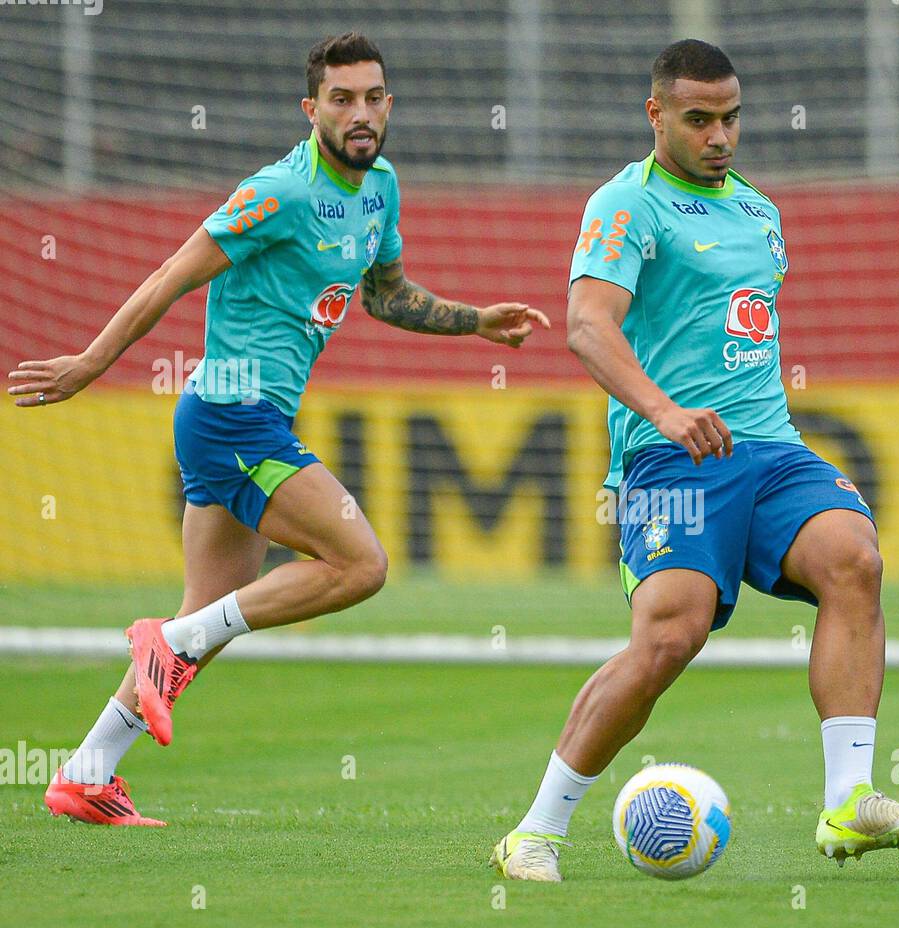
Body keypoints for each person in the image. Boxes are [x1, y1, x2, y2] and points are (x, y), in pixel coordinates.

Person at [10, 32, 549, 826]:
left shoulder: (381, 186)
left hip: (245, 419)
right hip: (233, 415)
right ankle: (170, 642)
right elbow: (170, 273)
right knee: (361, 564)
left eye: (372, 98)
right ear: (312, 109)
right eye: (341, 99)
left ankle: (88, 772)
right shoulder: (277, 192)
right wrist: (91, 363)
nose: (359, 113)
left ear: (388, 105)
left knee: (209, 615)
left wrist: (475, 322)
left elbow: (386, 295)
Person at [491, 40, 899, 882]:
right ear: (656, 115)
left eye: (731, 118)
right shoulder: (626, 204)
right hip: (669, 459)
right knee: (672, 636)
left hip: (768, 448)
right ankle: (534, 832)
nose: (719, 136)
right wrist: (666, 414)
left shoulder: (760, 214)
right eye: (698, 119)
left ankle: (849, 803)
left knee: (855, 560)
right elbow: (589, 326)